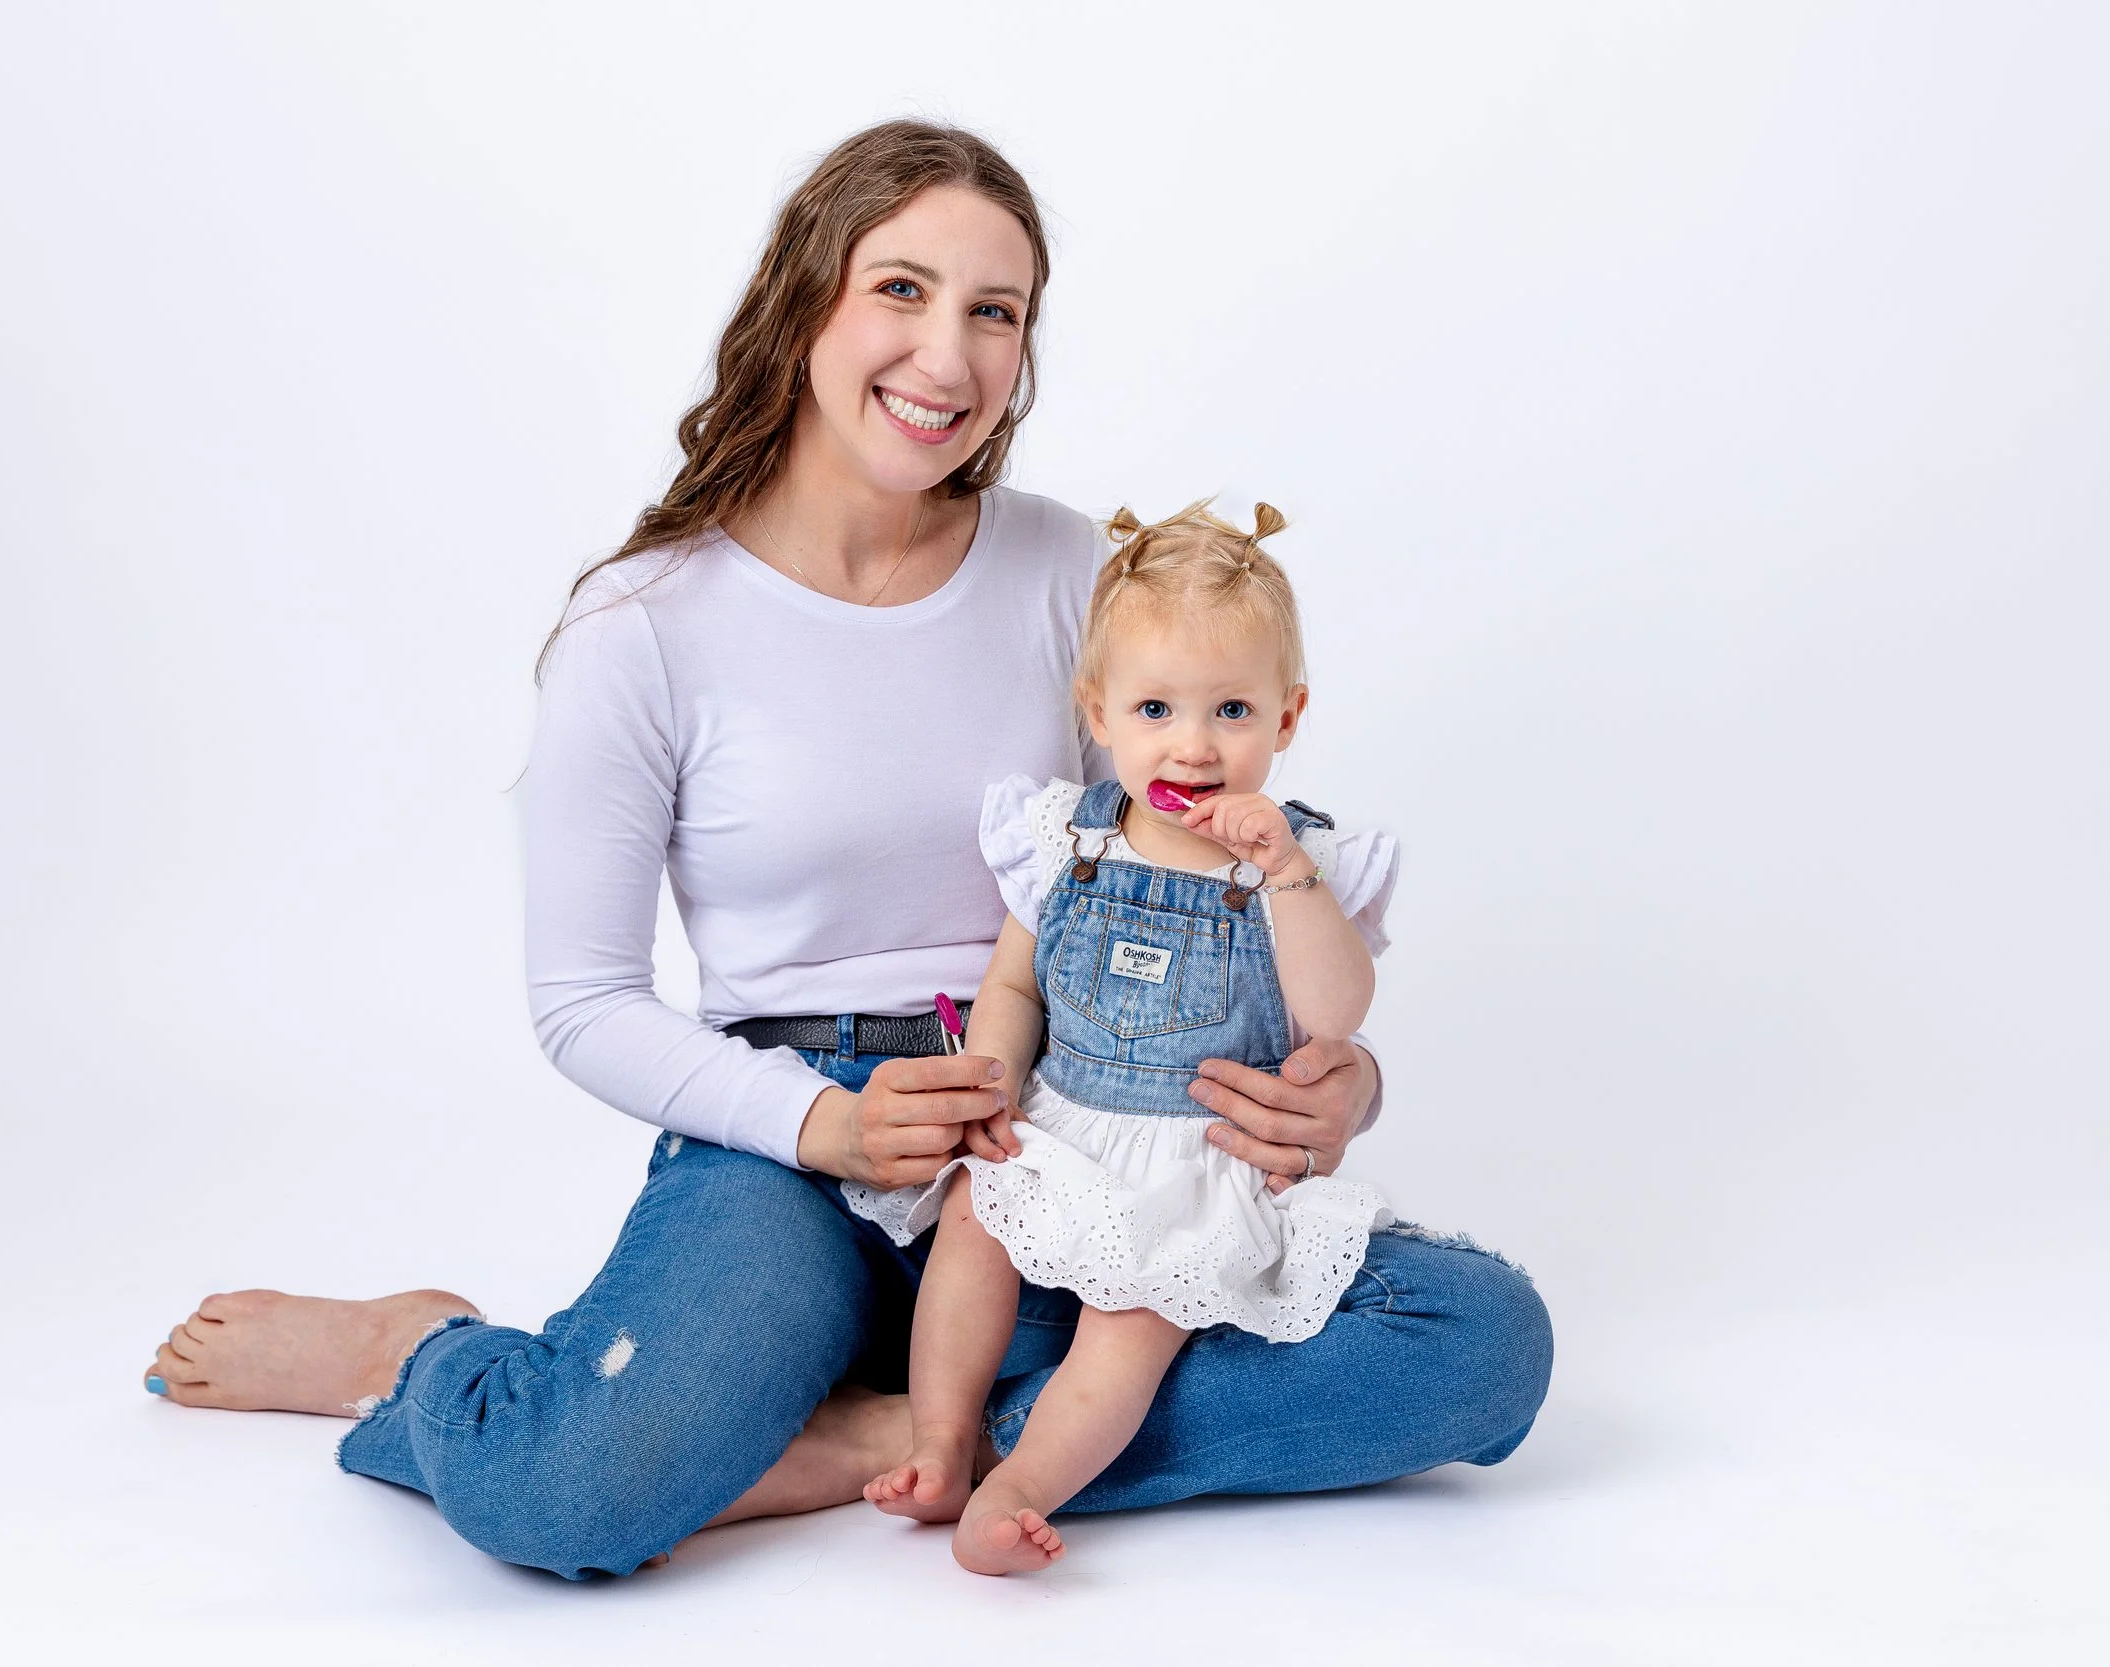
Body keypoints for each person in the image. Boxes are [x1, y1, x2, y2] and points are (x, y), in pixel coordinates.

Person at [143, 119, 1552, 1582]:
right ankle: (435, 1352)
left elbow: (1169, 867)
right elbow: (581, 999)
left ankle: (887, 1429)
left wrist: (1343, 1084)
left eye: (993, 312)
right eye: (901, 289)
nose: (945, 356)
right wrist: (827, 1126)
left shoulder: (1076, 573)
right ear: (806, 293)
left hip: (1070, 1125)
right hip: (797, 1134)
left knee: (1478, 1346)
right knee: (566, 1492)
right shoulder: (643, 627)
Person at [854, 500, 1406, 1574]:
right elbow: (1013, 980)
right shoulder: (1065, 835)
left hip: (1187, 1161)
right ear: (1096, 709)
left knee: (1132, 1320)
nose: (1193, 746)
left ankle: (1018, 1485)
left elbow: (1336, 1012)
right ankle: (937, 1437)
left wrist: (1286, 872)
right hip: (1058, 1124)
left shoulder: (1297, 862)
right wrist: (998, 1075)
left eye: (1232, 709)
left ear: (1288, 718)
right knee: (972, 1216)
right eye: (1155, 707)